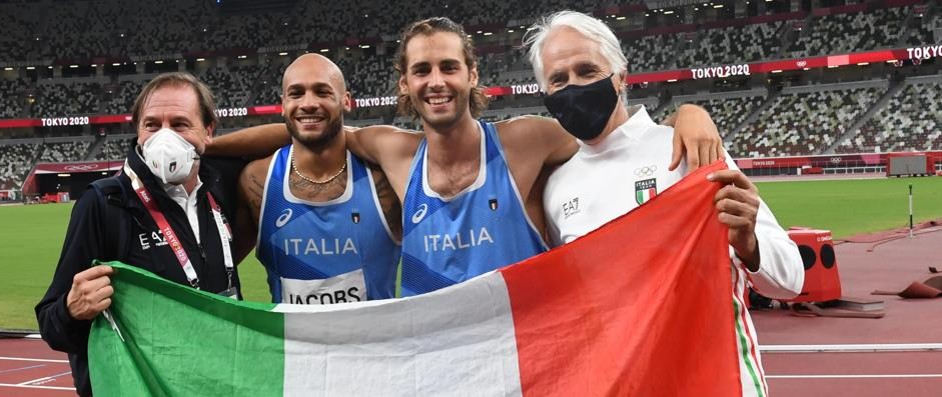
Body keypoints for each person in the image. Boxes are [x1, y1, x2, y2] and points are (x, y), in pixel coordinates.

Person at [208, 17, 724, 297]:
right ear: (405, 84)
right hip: (431, 365)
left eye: (449, 66)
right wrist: (204, 146)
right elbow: (307, 126)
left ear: (472, 75)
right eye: (423, 70)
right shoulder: (392, 150)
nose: (437, 81)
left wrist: (685, 115)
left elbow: (614, 133)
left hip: (518, 360)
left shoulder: (528, 141)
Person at [527, 11, 803, 397]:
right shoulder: (557, 188)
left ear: (620, 76)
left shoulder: (690, 149)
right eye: (559, 79)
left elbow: (791, 281)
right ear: (545, 95)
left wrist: (749, 244)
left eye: (587, 70)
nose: (573, 86)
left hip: (716, 379)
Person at [35, 72, 248, 396]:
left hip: (213, 384)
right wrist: (71, 309)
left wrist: (346, 136)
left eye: (179, 124)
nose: (165, 138)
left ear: (208, 131)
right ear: (137, 131)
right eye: (152, 125)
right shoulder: (105, 202)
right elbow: (51, 325)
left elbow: (291, 138)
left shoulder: (221, 187)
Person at [236, 54, 401, 304]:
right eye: (296, 93)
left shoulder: (385, 177)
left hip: (374, 343)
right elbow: (220, 267)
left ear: (346, 100)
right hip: (291, 343)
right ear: (283, 104)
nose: (308, 103)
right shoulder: (256, 180)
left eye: (322, 92)